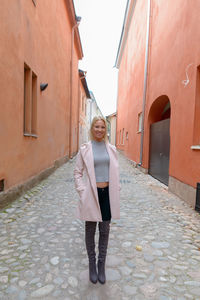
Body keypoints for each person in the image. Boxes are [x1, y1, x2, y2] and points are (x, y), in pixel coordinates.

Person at [74, 116, 120, 284]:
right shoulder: (85, 149)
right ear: (92, 129)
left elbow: (115, 172)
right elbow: (78, 172)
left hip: (107, 193)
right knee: (90, 230)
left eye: (102, 127)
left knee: (105, 231)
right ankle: (92, 265)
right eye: (97, 127)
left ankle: (101, 265)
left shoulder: (112, 149)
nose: (99, 130)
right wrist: (82, 190)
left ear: (105, 129)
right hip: (92, 194)